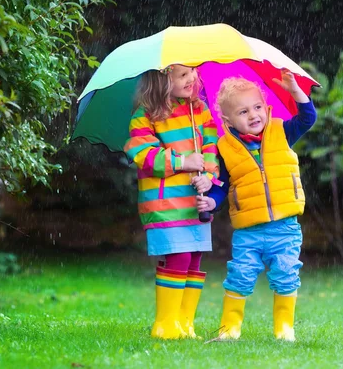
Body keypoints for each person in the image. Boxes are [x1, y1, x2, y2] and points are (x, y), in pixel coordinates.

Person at [204, 71, 316, 341]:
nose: (253, 115)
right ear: (228, 120)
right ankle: (230, 328)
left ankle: (284, 328)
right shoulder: (225, 148)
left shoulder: (281, 132)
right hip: (248, 231)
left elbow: (308, 118)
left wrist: (294, 90)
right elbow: (222, 185)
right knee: (240, 275)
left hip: (285, 227)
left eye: (257, 107)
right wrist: (211, 202)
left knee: (286, 274)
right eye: (243, 112)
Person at [124, 65, 220, 339]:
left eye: (193, 72)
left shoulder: (199, 110)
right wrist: (183, 162)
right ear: (162, 80)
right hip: (165, 202)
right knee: (180, 255)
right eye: (183, 75)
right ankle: (165, 324)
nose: (193, 78)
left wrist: (209, 179)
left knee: (195, 257)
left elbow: (211, 147)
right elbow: (143, 155)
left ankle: (184, 324)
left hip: (195, 201)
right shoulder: (145, 116)